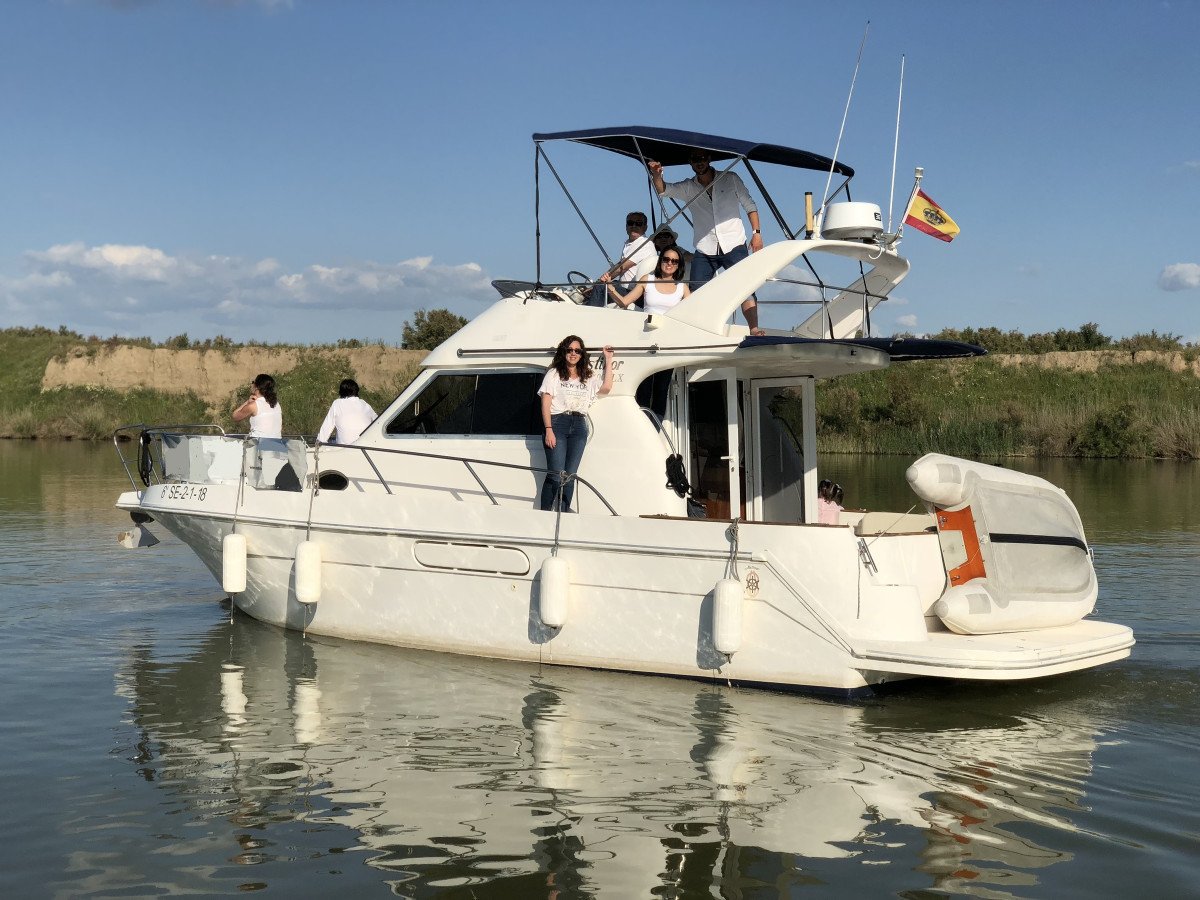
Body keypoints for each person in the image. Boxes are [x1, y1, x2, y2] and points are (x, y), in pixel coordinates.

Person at [647, 151, 765, 334]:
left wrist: (756, 234)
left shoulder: (731, 178)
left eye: (702, 158)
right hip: (705, 246)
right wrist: (656, 174)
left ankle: (754, 329)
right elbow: (663, 190)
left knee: (745, 287)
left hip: (734, 243)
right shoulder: (688, 187)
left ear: (709, 159)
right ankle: (694, 330)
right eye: (695, 159)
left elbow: (750, 206)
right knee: (695, 290)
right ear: (690, 162)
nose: (699, 162)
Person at [538, 336, 615, 511]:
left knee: (570, 476)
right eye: (570, 350)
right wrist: (548, 429)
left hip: (579, 425)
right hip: (558, 423)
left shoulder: (587, 375)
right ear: (564, 351)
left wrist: (609, 360)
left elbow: (606, 388)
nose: (573, 353)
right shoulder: (554, 373)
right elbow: (546, 402)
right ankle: (545, 515)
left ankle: (563, 515)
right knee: (556, 475)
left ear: (582, 354)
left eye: (577, 351)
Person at [587, 211, 657, 307]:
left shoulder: (644, 243)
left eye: (639, 223)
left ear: (645, 227)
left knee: (600, 287)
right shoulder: (630, 243)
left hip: (636, 294)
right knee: (596, 289)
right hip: (624, 289)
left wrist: (600, 281)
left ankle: (589, 317)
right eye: (630, 223)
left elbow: (622, 267)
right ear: (626, 226)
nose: (634, 226)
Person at [601, 248, 690, 313]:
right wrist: (609, 287)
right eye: (666, 259)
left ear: (678, 265)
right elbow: (624, 303)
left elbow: (690, 312)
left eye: (674, 261)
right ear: (660, 261)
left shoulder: (683, 287)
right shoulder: (647, 280)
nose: (669, 263)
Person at [316, 378, 377, 445]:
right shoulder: (365, 404)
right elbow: (378, 422)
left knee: (332, 441)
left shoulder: (337, 403)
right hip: (366, 447)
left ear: (342, 391)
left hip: (345, 449)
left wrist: (319, 442)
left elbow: (326, 428)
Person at [232, 373, 282, 438]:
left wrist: (247, 402)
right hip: (277, 444)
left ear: (257, 387)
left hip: (259, 444)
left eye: (253, 382)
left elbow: (235, 416)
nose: (252, 384)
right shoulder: (276, 404)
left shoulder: (253, 406)